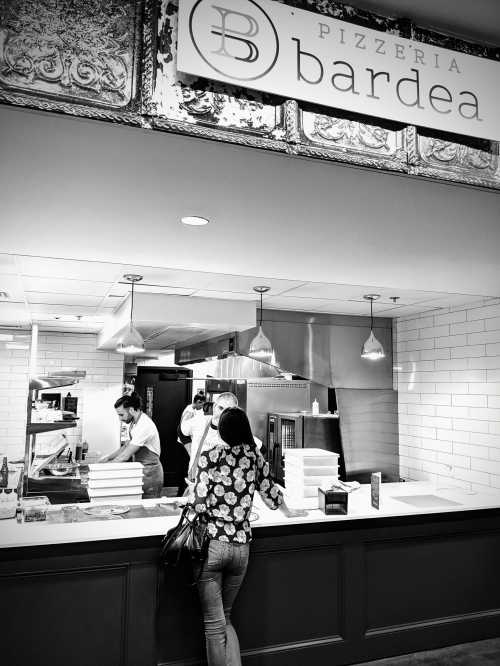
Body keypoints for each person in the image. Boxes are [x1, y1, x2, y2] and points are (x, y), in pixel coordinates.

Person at [187, 407, 304, 666]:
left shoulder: (211, 455)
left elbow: (198, 502)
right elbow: (271, 494)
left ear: (224, 431)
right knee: (225, 617)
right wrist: (290, 512)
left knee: (214, 625)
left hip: (213, 545)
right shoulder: (254, 457)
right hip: (241, 548)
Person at [99, 393, 164, 498]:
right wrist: (107, 458)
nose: (120, 419)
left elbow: (125, 456)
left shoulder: (144, 425)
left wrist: (103, 469)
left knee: (148, 509)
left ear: (132, 410)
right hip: (141, 471)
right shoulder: (134, 423)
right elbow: (126, 446)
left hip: (150, 474)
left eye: (121, 415)